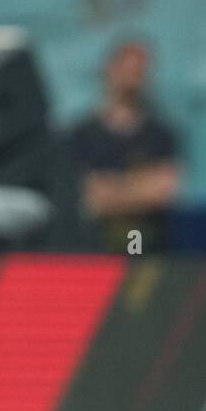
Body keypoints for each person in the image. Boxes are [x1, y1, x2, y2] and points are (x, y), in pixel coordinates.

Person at [69, 41, 181, 253]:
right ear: (110, 70)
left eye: (139, 72)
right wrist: (139, 188)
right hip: (96, 254)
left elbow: (164, 191)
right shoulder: (80, 135)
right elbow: (86, 197)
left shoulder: (161, 135)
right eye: (127, 70)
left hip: (150, 254)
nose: (132, 80)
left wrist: (111, 190)